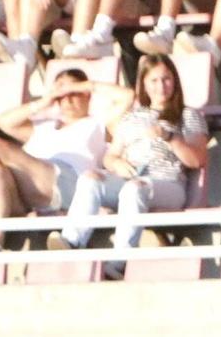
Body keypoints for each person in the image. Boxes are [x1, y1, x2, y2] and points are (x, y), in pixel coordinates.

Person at [59, 54, 205, 272]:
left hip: (167, 183)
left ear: (174, 81)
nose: (161, 86)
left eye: (166, 79)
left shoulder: (188, 115)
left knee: (135, 189)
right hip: (131, 178)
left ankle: (120, 261)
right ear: (144, 84)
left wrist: (171, 139)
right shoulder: (132, 117)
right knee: (90, 178)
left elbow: (197, 160)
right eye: (154, 81)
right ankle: (71, 241)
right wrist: (116, 163)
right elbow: (111, 155)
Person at [0, 67, 106, 249]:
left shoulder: (98, 124)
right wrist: (41, 103)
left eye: (73, 93)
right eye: (60, 94)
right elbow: (4, 122)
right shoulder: (44, 125)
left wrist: (86, 85)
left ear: (86, 94)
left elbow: (126, 97)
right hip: (33, 187)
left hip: (69, 183)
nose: (67, 99)